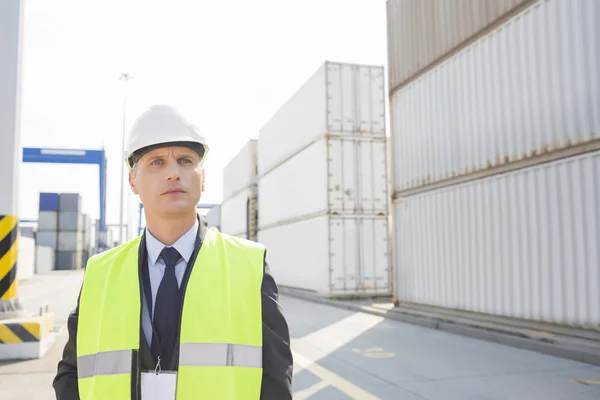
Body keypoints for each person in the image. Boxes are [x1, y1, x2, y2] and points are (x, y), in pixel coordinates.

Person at [53, 105, 294, 399]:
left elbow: (276, 380)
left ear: (202, 179)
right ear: (133, 181)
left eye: (185, 160)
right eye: (156, 162)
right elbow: (71, 374)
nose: (172, 173)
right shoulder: (100, 274)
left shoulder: (249, 266)